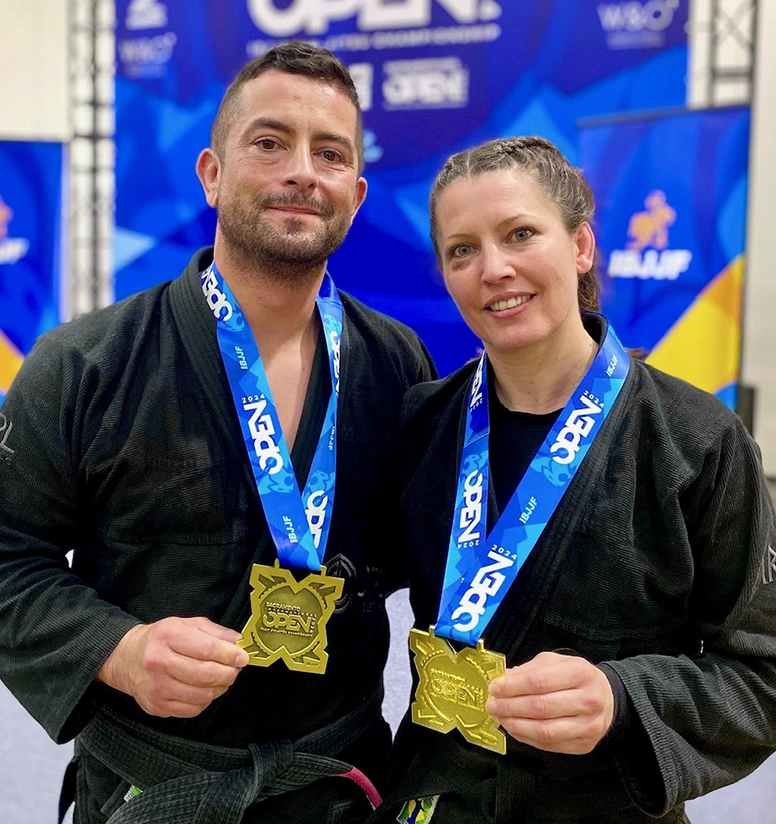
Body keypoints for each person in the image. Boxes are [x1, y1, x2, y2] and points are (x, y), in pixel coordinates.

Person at [0, 41, 435, 824]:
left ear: (357, 193)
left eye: (329, 153)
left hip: (337, 784)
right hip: (156, 785)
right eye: (269, 143)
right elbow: (7, 555)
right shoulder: (85, 364)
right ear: (211, 173)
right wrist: (117, 650)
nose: (303, 170)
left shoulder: (395, 364)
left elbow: (435, 557)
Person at [369, 136, 776, 823]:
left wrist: (623, 698)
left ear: (581, 245)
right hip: (438, 798)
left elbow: (761, 674)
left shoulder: (696, 442)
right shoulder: (422, 426)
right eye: (461, 250)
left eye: (520, 233)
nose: (493, 268)